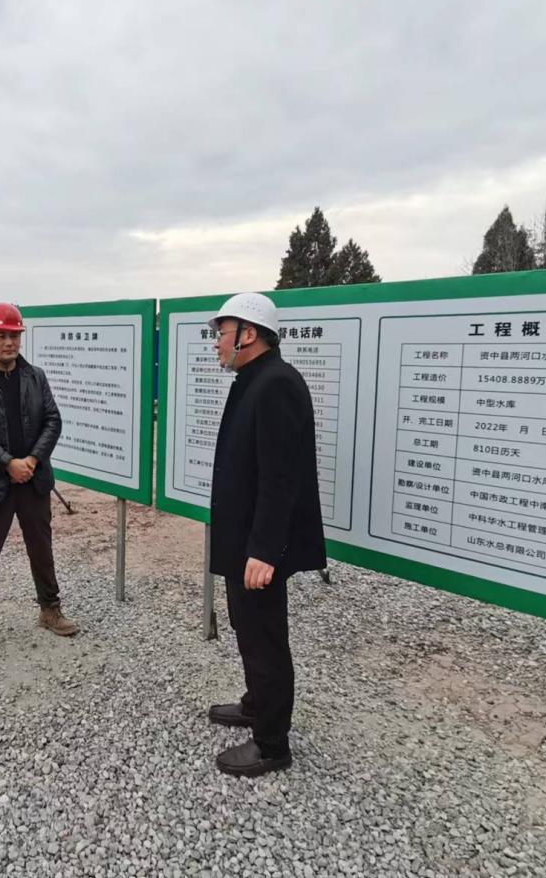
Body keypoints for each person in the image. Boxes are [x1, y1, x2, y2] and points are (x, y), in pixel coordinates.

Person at [205, 292, 326, 777]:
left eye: (222, 333)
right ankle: (257, 704)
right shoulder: (254, 379)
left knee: (266, 638)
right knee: (247, 626)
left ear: (248, 334)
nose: (217, 342)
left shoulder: (276, 384)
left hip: (258, 545)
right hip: (244, 538)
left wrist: (264, 550)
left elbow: (281, 478)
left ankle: (272, 743)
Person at [0, 302, 78, 663]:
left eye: (14, 335)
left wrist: (32, 460)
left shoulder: (35, 376)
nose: (9, 343)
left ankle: (50, 609)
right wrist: (8, 463)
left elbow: (52, 420)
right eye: (1, 335)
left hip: (33, 480)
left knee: (42, 548)